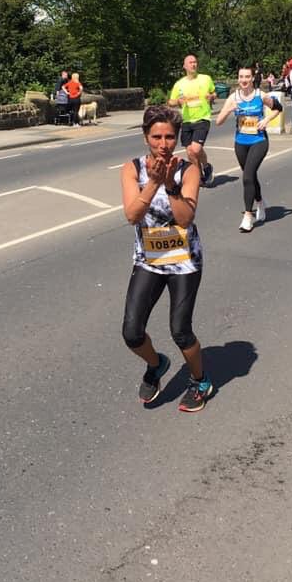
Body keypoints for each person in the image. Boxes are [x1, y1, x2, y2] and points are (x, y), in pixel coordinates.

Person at [120, 105, 213, 412]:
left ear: (177, 138)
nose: (163, 144)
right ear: (146, 137)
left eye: (170, 137)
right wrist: (153, 183)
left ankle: (200, 381)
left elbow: (185, 219)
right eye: (157, 136)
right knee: (132, 332)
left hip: (184, 261)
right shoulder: (132, 169)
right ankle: (156, 364)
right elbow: (133, 215)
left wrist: (170, 184)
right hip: (148, 260)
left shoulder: (188, 170)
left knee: (180, 330)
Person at [216, 65, 284, 232]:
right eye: (241, 77)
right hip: (240, 142)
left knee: (246, 177)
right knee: (251, 176)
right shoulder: (233, 98)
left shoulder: (261, 95)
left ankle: (248, 216)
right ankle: (260, 202)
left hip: (259, 141)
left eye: (247, 77)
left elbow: (278, 108)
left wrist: (266, 120)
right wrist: (229, 110)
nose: (244, 80)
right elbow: (218, 121)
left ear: (253, 78)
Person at [168, 54, 217, 187]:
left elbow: (214, 93)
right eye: (190, 62)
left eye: (195, 62)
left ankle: (206, 166)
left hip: (202, 118)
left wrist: (211, 97)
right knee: (190, 152)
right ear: (185, 66)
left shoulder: (206, 79)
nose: (193, 64)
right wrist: (177, 101)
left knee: (196, 149)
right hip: (186, 121)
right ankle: (199, 175)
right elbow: (171, 102)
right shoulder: (179, 84)